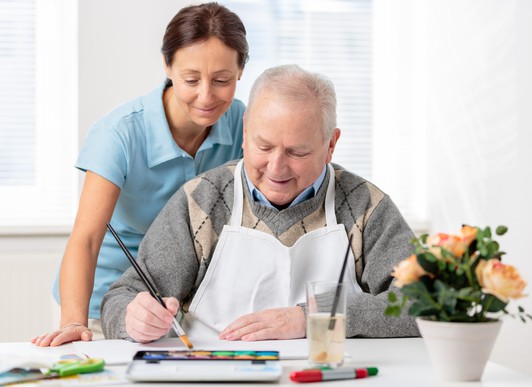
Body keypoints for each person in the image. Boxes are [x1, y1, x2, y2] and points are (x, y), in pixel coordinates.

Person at [101, 64, 419, 342]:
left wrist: (317, 314)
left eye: (297, 152)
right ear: (244, 132)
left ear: (331, 144)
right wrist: (135, 318)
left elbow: (426, 303)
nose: (276, 167)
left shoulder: (367, 206)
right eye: (263, 146)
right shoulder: (200, 200)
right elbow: (122, 298)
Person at [31, 2, 249, 347]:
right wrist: (75, 320)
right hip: (104, 302)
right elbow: (86, 239)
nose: (206, 96)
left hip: (183, 302)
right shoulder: (118, 134)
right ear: (167, 65)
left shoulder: (243, 124)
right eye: (191, 79)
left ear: (240, 71)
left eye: (221, 80)